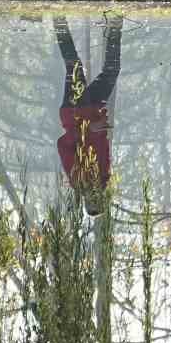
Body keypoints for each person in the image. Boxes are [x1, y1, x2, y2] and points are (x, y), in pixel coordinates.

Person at [53, 15, 123, 215]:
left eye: (92, 202)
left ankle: (58, 20)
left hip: (75, 111)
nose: (95, 198)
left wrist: (88, 128)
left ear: (86, 201)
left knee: (74, 65)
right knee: (112, 71)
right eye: (99, 201)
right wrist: (102, 126)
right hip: (94, 109)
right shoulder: (104, 178)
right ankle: (116, 22)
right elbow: (101, 144)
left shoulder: (77, 180)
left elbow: (63, 144)